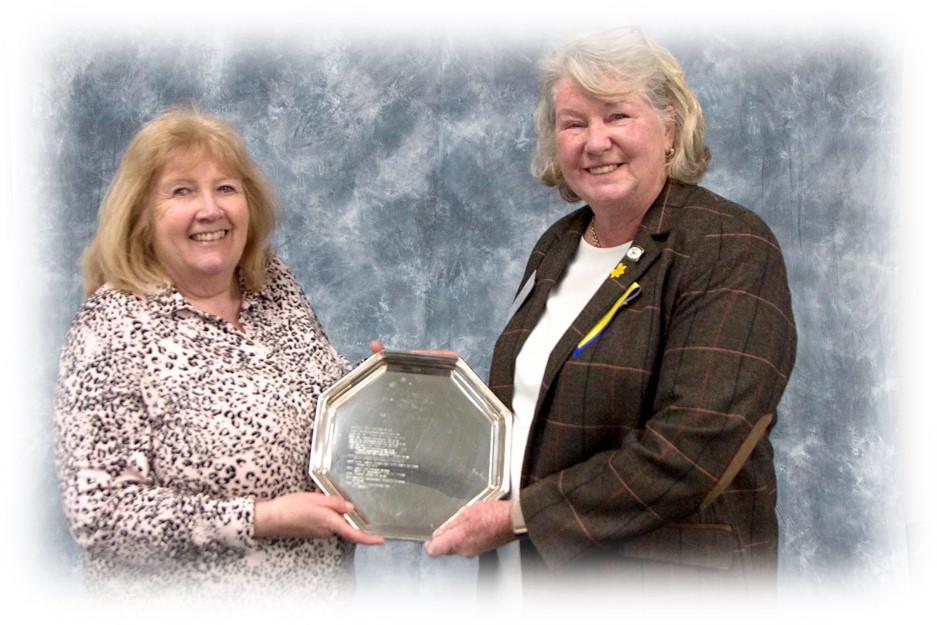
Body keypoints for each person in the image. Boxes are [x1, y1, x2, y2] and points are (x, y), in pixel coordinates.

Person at [423, 27, 797, 598]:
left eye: (617, 115)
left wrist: (518, 517)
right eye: (574, 123)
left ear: (670, 128)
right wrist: (442, 397)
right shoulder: (558, 245)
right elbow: (540, 405)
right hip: (525, 584)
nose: (595, 142)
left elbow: (694, 445)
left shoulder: (727, 242)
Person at [53, 106, 383, 604]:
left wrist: (395, 381)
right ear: (142, 213)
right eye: (182, 191)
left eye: (225, 188)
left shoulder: (274, 286)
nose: (211, 209)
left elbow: (322, 397)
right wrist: (261, 519)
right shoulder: (111, 328)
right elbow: (102, 515)